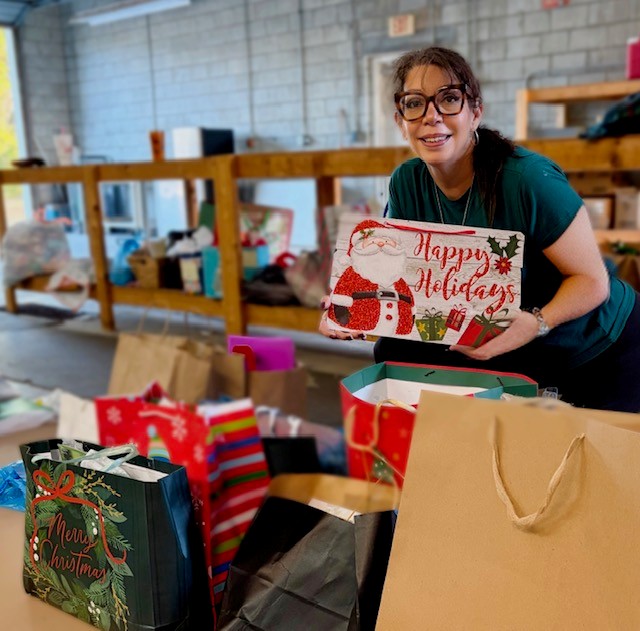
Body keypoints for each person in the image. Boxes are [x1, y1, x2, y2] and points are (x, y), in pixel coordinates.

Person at [319, 46, 640, 413]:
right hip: (502, 337)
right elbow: (401, 277)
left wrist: (536, 324)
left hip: (591, 343)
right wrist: (353, 305)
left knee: (592, 461)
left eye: (449, 99)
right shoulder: (406, 182)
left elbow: (592, 281)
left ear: (476, 112)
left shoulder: (528, 180)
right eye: (414, 104)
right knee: (396, 351)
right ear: (400, 120)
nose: (432, 117)